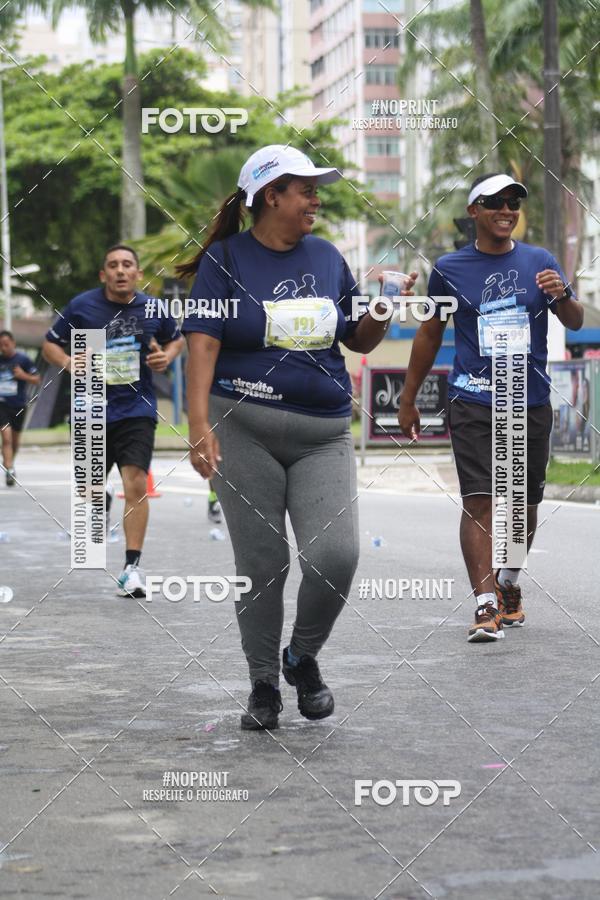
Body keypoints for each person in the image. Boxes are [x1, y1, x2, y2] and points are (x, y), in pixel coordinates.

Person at [180, 144, 416, 729]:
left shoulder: (327, 256)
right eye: (304, 188)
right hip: (244, 428)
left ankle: (301, 657)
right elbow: (203, 343)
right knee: (262, 565)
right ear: (269, 196)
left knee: (336, 557)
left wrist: (383, 308)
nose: (316, 198)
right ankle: (262, 683)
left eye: (316, 188)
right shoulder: (225, 260)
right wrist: (197, 424)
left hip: (324, 433)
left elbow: (358, 342)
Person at [398, 173, 583, 643]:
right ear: (474, 211)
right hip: (474, 398)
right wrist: (408, 397)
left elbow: (576, 321)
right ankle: (484, 605)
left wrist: (559, 293)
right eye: (495, 202)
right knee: (479, 501)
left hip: (530, 399)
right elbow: (429, 334)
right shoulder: (449, 268)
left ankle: (508, 585)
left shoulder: (539, 261)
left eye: (513, 203)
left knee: (524, 504)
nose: (507, 210)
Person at [42, 245, 185, 597]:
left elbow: (177, 341)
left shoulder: (154, 308)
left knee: (135, 483)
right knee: (88, 491)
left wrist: (164, 357)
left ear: (137, 273)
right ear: (103, 274)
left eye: (127, 265)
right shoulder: (82, 306)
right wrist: (66, 362)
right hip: (90, 406)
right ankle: (99, 499)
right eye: (113, 266)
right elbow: (50, 344)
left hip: (136, 408)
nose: (121, 271)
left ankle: (131, 568)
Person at [0, 330, 41, 486]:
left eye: (6, 344)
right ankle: (9, 470)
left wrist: (23, 376)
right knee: (6, 436)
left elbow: (37, 379)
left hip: (18, 405)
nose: (3, 348)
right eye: (1, 345)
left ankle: (10, 462)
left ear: (13, 343)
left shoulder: (23, 360)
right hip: (1, 404)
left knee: (15, 441)